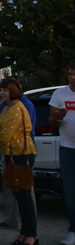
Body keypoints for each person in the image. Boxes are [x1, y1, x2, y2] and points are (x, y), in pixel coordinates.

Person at [0, 79, 37, 245]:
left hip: (21, 155)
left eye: (6, 90)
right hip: (11, 155)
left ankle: (31, 234)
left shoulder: (17, 108)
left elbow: (4, 135)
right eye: (1, 89)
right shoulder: (7, 108)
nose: (2, 93)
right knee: (18, 194)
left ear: (14, 90)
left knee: (24, 196)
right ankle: (25, 233)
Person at [49, 62, 75, 245]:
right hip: (68, 148)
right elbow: (51, 121)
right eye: (70, 74)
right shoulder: (60, 94)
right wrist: (58, 116)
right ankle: (73, 230)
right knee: (70, 192)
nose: (73, 77)